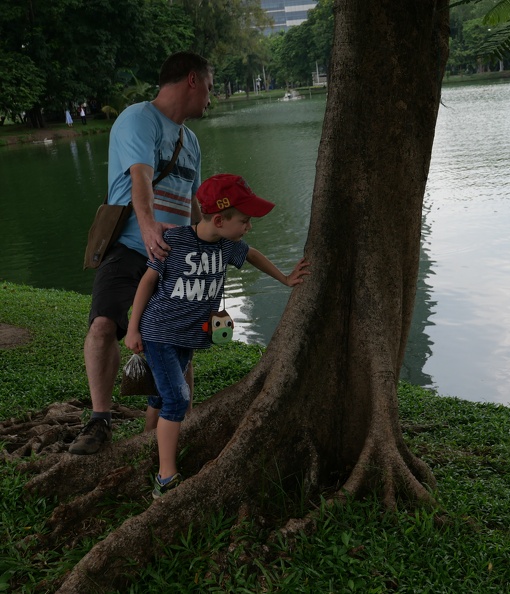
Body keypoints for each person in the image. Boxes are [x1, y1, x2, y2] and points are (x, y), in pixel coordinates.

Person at [124, 173, 310, 497]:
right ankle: (165, 477)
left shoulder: (227, 246)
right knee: (178, 398)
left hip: (188, 337)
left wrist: (284, 278)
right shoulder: (174, 240)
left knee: (161, 393)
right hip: (159, 332)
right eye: (244, 221)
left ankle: (148, 442)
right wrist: (132, 327)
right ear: (220, 219)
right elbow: (147, 282)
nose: (248, 227)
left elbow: (252, 255)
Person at [69, 51, 214, 456]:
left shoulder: (192, 141)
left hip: (174, 257)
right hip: (132, 249)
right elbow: (141, 177)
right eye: (209, 85)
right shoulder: (138, 118)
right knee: (102, 326)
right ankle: (99, 421)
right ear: (191, 79)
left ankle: (171, 426)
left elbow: (192, 203)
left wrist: (205, 248)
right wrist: (149, 229)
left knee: (178, 340)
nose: (210, 96)